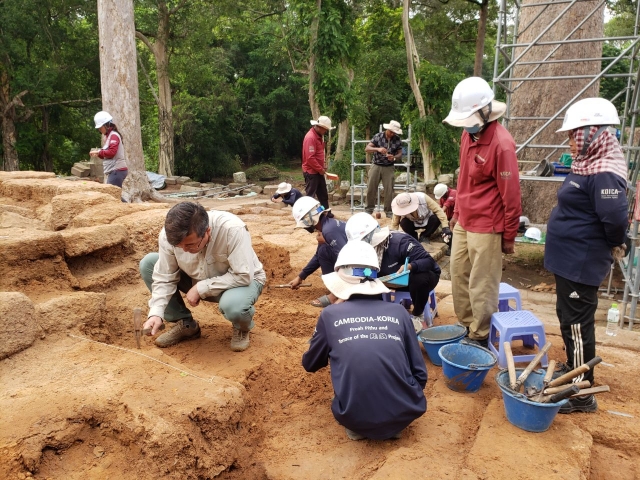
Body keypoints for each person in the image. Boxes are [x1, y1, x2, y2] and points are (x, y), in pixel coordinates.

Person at [545, 97, 628, 414]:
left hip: (580, 260)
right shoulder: (588, 164)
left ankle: (581, 393)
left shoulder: (604, 172)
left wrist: (614, 242)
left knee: (578, 325)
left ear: (591, 133)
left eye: (573, 134)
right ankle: (574, 367)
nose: (570, 140)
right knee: (569, 320)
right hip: (569, 259)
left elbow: (615, 219)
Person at [302, 240, 427, 441]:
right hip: (404, 413)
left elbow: (310, 364)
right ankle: (392, 417)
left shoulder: (330, 315)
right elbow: (420, 373)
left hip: (353, 418)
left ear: (341, 279)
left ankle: (360, 419)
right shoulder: (399, 312)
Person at [442, 76, 521, 347]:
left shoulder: (501, 144)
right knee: (458, 273)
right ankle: (465, 324)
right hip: (465, 218)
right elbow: (464, 178)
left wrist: (509, 235)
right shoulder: (468, 134)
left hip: (488, 224)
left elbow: (511, 195)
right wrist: (455, 213)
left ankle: (480, 333)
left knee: (482, 283)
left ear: (486, 112)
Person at [140, 202, 266, 352]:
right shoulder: (169, 237)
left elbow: (243, 275)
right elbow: (164, 276)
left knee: (234, 307)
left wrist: (201, 287)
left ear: (207, 231)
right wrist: (156, 313)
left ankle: (241, 327)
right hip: (195, 278)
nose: (185, 250)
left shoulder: (232, 229)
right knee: (148, 263)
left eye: (190, 245)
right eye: (180, 247)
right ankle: (185, 324)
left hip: (240, 283)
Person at [346, 212, 441, 332]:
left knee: (420, 278)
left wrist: (411, 266)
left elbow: (429, 262)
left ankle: (418, 315)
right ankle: (377, 315)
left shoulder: (399, 242)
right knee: (364, 280)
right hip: (392, 281)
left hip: (422, 278)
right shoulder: (365, 251)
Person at [287, 196, 348, 307]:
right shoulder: (327, 226)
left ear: (309, 219)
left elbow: (347, 260)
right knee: (323, 250)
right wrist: (300, 277)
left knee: (324, 250)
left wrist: (326, 242)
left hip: (363, 269)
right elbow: (317, 256)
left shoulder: (329, 231)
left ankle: (337, 294)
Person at [364, 120, 404, 218]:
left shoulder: (397, 139)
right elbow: (367, 148)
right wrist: (377, 149)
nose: (392, 134)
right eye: (391, 131)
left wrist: (394, 157)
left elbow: (400, 153)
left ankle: (389, 211)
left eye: (394, 132)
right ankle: (368, 210)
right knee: (371, 188)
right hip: (376, 165)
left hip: (389, 167)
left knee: (389, 190)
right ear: (387, 129)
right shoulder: (378, 136)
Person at [303, 115, 334, 210]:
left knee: (323, 193)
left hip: (318, 171)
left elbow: (318, 154)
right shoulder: (311, 138)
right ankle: (307, 215)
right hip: (311, 172)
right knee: (310, 195)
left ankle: (327, 212)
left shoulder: (318, 136)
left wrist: (322, 166)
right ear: (320, 127)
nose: (326, 131)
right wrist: (319, 169)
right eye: (325, 129)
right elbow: (310, 158)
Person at [89, 111, 128, 188]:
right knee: (114, 196)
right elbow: (108, 155)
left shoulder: (113, 136)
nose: (99, 129)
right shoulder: (109, 136)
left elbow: (112, 152)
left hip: (117, 170)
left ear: (106, 125)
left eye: (100, 127)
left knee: (111, 196)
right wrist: (98, 154)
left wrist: (99, 152)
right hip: (115, 171)